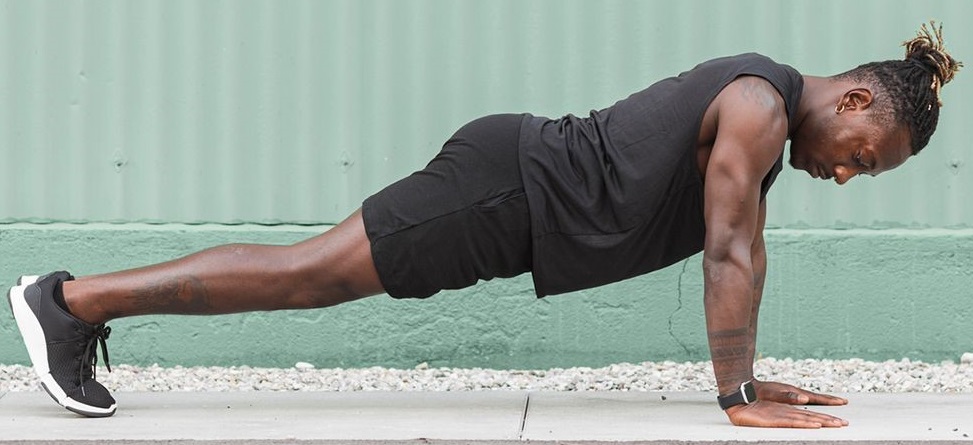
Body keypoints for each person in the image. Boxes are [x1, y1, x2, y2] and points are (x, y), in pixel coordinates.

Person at [7, 22, 961, 428]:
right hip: (507, 187)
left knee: (313, 270)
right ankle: (69, 300)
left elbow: (742, 254)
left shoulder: (760, 120)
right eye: (862, 156)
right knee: (310, 272)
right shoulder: (756, 105)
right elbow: (727, 249)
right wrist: (731, 399)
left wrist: (748, 376)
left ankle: (75, 304)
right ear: (854, 103)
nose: (843, 175)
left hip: (516, 198)